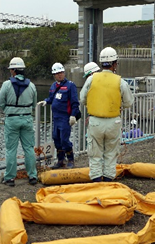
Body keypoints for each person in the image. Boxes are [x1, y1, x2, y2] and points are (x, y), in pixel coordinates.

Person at [79, 47, 133, 182]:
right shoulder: (120, 81)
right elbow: (128, 102)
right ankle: (109, 182)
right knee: (111, 153)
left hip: (95, 121)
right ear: (114, 64)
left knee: (95, 154)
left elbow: (82, 98)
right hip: (113, 122)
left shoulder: (91, 80)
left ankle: (97, 182)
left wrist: (93, 104)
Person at [0, 57, 38, 186]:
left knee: (11, 150)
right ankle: (32, 176)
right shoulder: (31, 85)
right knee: (29, 148)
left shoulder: (6, 84)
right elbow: (34, 104)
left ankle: (9, 178)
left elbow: (0, 102)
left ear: (13, 70)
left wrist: (8, 111)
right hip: (27, 118)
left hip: (12, 119)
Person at [37, 63, 81, 169]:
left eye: (61, 73)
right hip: (56, 118)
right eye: (57, 73)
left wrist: (73, 115)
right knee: (56, 138)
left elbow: (75, 102)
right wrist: (46, 101)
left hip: (65, 118)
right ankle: (60, 160)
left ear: (64, 73)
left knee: (64, 140)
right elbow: (51, 98)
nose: (59, 75)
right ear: (54, 75)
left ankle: (71, 160)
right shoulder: (53, 86)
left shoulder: (70, 85)